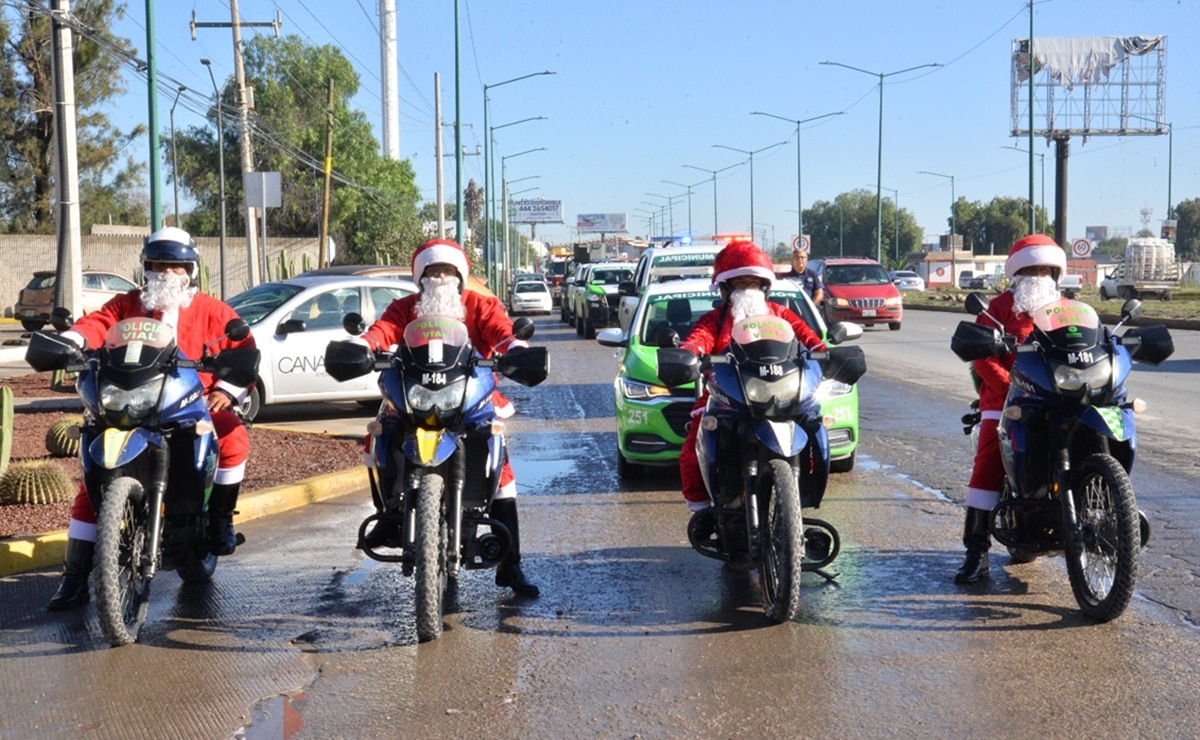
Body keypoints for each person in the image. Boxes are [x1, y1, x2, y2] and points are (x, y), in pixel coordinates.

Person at [47, 227, 257, 611]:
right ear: (145, 267)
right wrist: (74, 340)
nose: (166, 273)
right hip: (132, 406)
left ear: (190, 270)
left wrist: (226, 390)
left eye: (175, 266)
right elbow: (96, 324)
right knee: (93, 473)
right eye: (157, 264)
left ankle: (221, 519)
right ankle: (75, 576)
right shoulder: (127, 303)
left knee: (232, 437)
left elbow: (244, 348)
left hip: (192, 406)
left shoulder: (214, 310)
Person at [353, 237, 540, 597]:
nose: (440, 276)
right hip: (415, 395)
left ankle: (511, 562)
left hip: (468, 398)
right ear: (420, 276)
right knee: (379, 436)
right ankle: (389, 515)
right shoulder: (405, 306)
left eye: (447, 270)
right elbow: (383, 331)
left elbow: (502, 333)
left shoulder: (480, 305)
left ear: (460, 275)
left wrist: (515, 348)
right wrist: (364, 345)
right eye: (432, 270)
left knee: (499, 464)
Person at [677, 240, 827, 513]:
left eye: (753, 283)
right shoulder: (715, 319)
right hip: (728, 394)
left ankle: (806, 491)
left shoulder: (781, 314)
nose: (747, 289)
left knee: (815, 424)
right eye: (739, 283)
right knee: (693, 446)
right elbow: (698, 339)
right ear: (726, 288)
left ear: (764, 286)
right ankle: (704, 510)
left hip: (782, 390)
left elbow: (809, 337)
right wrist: (688, 352)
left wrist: (825, 352)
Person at [955, 233, 1066, 583]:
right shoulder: (998, 308)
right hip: (1006, 400)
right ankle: (976, 550)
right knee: (989, 460)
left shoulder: (1066, 307)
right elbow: (982, 358)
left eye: (1045, 269)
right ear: (1018, 271)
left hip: (1058, 398)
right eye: (1031, 268)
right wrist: (1010, 387)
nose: (1039, 274)